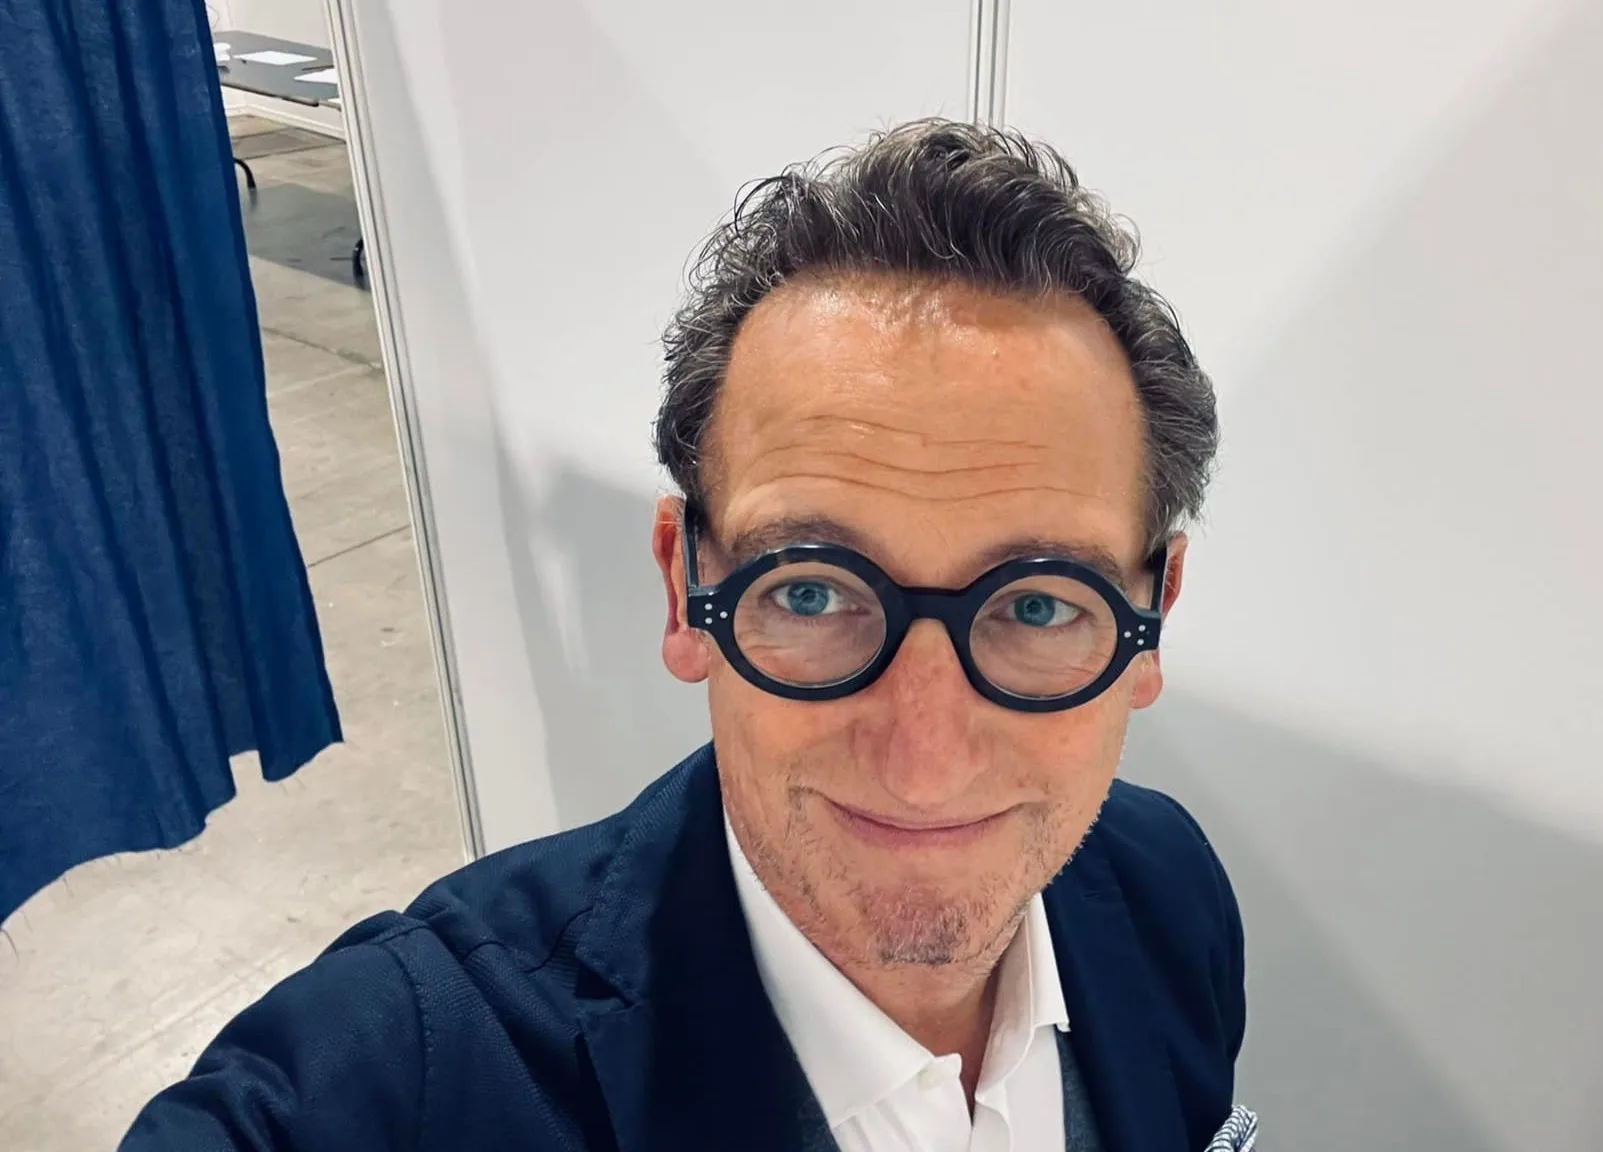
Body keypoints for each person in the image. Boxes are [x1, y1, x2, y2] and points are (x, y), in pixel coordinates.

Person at [122, 119, 1247, 1152]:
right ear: (683, 586)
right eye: (811, 593)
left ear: (1152, 623)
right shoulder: (392, 1084)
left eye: (1039, 605)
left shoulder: (1164, 891)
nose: (925, 760)